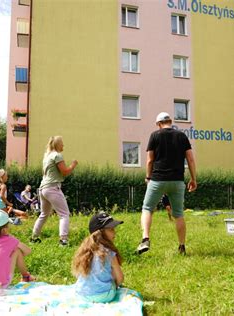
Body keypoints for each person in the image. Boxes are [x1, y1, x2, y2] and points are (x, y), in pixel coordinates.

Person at [136, 112, 197, 255]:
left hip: (158, 179)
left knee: (147, 208)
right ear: (170, 121)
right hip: (177, 181)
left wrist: (148, 177)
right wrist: (193, 179)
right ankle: (182, 246)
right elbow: (190, 159)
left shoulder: (155, 135)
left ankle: (145, 238)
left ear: (158, 124)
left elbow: (150, 160)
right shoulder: (182, 136)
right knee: (179, 214)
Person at [31, 136, 78, 246]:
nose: (63, 145)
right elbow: (65, 172)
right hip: (52, 188)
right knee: (64, 214)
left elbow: (44, 174)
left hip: (43, 189)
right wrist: (73, 165)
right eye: (62, 143)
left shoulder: (47, 157)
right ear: (57, 144)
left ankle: (34, 237)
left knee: (44, 214)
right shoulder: (57, 155)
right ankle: (63, 240)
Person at [72, 212, 124, 303]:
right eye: (111, 229)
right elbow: (120, 278)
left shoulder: (84, 250)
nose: (114, 232)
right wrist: (115, 285)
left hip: (82, 295)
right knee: (112, 274)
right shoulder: (108, 252)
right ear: (101, 233)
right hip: (104, 296)